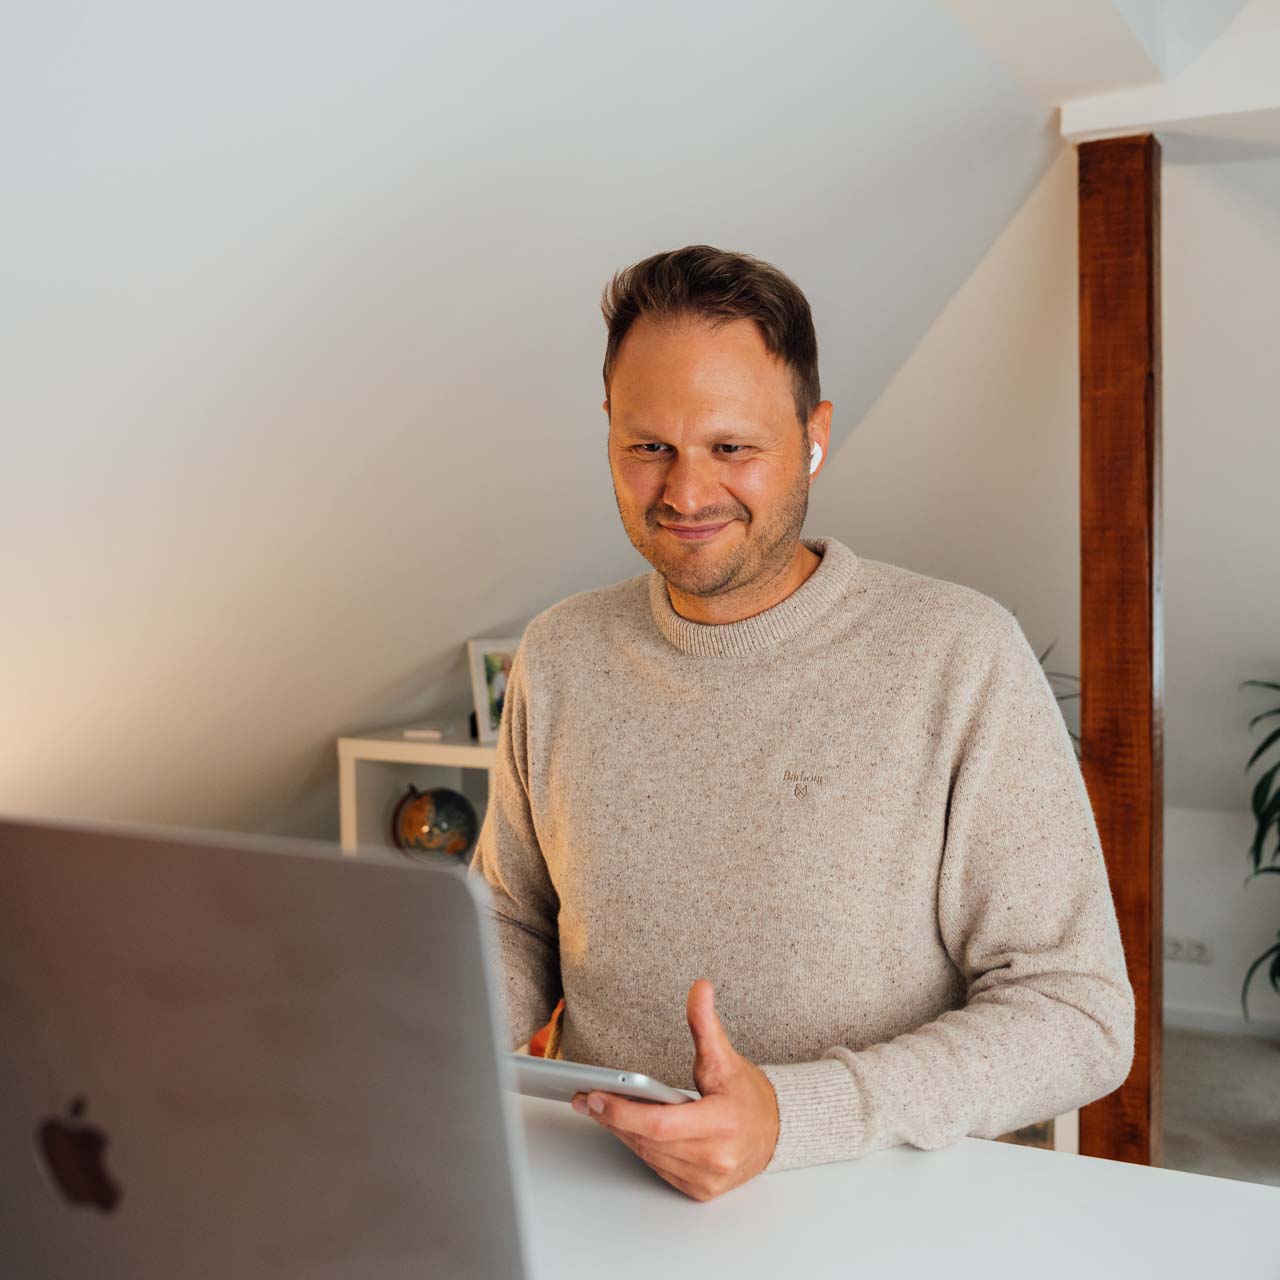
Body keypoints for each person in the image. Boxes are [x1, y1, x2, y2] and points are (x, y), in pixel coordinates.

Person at [468, 244, 1135, 1203]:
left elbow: (1078, 1014)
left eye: (732, 448)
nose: (686, 494)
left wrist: (791, 1117)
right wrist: (425, 1030)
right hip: (592, 1199)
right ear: (609, 432)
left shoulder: (959, 656)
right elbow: (514, 920)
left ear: (815, 435)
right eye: (648, 446)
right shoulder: (559, 654)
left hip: (869, 1214)